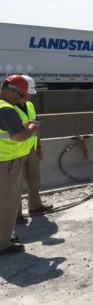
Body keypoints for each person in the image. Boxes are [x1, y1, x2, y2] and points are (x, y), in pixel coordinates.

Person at [0, 75, 40, 255]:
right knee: (8, 203)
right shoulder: (7, 109)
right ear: (10, 90)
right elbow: (19, 136)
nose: (20, 98)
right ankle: (3, 243)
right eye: (19, 94)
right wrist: (30, 130)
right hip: (7, 161)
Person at [15, 75, 53, 224]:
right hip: (15, 151)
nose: (30, 96)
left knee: (34, 181)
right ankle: (15, 214)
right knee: (15, 185)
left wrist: (38, 147)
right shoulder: (7, 108)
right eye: (28, 93)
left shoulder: (29, 106)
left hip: (30, 149)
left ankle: (35, 206)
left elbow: (36, 128)